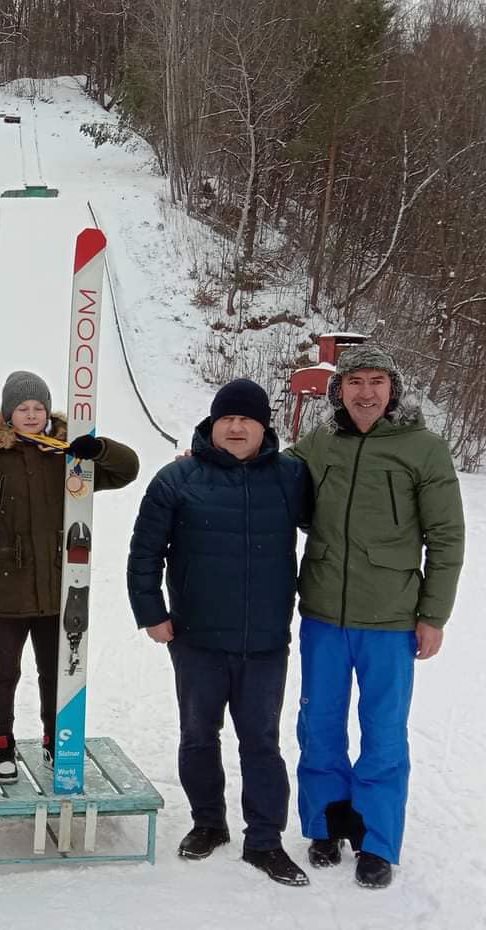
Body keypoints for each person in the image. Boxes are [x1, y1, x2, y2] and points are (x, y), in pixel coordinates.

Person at [290, 345, 464, 889]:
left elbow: (446, 536)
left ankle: (377, 840)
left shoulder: (424, 449)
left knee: (384, 733)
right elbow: (269, 485)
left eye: (376, 381)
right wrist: (206, 467)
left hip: (389, 619)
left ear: (393, 389)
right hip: (322, 611)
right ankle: (324, 825)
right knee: (318, 725)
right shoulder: (319, 443)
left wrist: (432, 613)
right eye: (355, 382)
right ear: (337, 389)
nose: (365, 392)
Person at [127, 378, 312, 887]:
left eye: (246, 418)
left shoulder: (292, 477)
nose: (235, 426)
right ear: (212, 424)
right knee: (198, 736)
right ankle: (208, 822)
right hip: (197, 637)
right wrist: (152, 612)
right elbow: (145, 552)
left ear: (264, 426)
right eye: (226, 418)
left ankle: (265, 840)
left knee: (262, 743)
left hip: (265, 641)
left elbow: (336, 525)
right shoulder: (177, 478)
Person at [0, 370, 139, 781]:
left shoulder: (67, 451)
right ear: (8, 412)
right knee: (5, 670)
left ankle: (55, 739)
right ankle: (2, 742)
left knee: (55, 670)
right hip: (8, 580)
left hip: (59, 583)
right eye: (22, 408)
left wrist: (100, 449)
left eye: (38, 406)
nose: (31, 414)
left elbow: (127, 470)